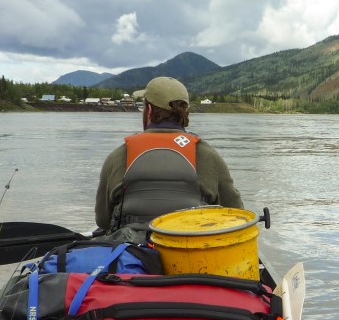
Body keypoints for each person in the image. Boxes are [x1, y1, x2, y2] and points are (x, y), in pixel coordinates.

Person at [94, 76, 243, 239]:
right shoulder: (208, 155)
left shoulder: (119, 156)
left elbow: (103, 221)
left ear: (149, 110)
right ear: (184, 112)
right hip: (192, 255)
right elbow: (236, 214)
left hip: (132, 256)